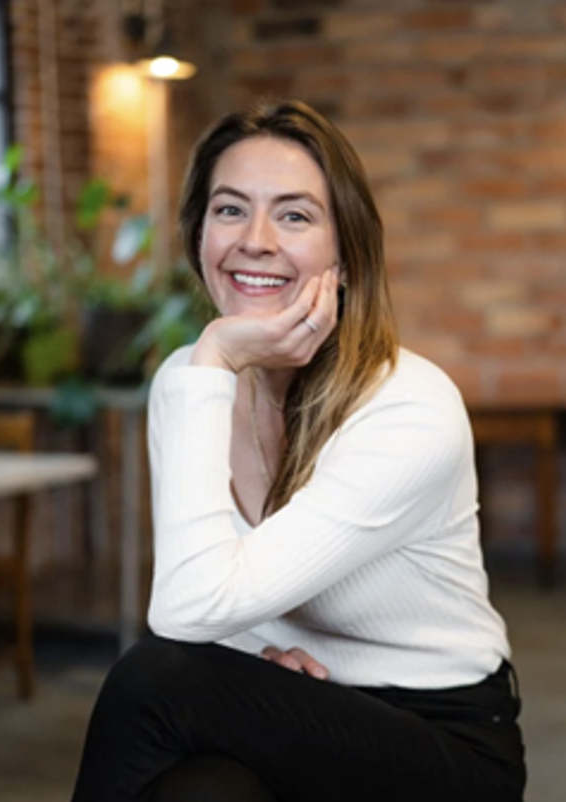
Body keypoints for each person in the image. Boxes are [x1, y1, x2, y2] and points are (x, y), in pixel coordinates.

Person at [71, 100, 526, 802]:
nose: (255, 239)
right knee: (201, 793)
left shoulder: (407, 407)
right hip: (295, 701)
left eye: (294, 215)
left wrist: (218, 353)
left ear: (346, 256)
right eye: (229, 210)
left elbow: (182, 618)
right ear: (198, 237)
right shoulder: (188, 385)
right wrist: (260, 660)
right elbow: (214, 606)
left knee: (150, 679)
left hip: (440, 737)